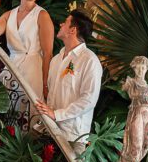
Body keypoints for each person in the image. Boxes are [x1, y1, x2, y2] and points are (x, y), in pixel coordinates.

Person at [35, 9, 102, 154]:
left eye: (65, 22)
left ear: (73, 30)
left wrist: (57, 114)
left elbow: (89, 100)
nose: (61, 24)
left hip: (72, 135)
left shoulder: (89, 60)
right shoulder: (57, 59)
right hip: (49, 131)